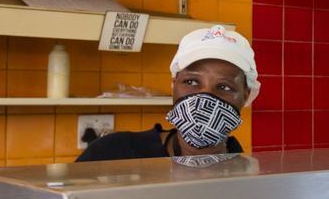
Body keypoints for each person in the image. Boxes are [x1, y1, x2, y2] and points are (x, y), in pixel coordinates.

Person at [77, 25, 259, 162]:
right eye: (191, 82)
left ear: (245, 96)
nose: (205, 96)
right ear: (174, 85)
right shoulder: (113, 152)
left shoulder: (245, 172)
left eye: (224, 87)